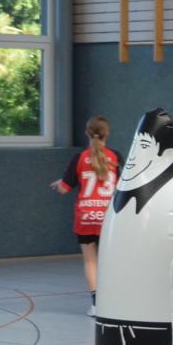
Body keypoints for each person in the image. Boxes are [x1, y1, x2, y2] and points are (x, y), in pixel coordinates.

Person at [49, 115, 120, 309]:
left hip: (86, 217)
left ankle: (96, 304)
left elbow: (65, 188)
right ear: (107, 134)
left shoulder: (79, 158)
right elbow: (122, 185)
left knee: (90, 261)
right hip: (108, 218)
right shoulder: (116, 157)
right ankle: (112, 302)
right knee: (108, 260)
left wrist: (59, 183)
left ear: (86, 133)